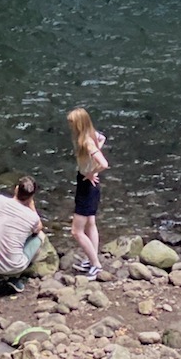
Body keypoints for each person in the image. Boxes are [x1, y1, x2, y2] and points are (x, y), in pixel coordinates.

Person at [0, 176, 44, 292]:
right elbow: (39, 228)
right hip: (14, 268)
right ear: (32, 196)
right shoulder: (32, 217)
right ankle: (15, 277)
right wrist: (31, 205)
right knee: (40, 236)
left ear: (16, 189)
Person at [66, 106, 108, 280]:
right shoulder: (92, 134)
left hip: (87, 185)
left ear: (79, 124)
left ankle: (96, 266)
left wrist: (91, 172)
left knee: (76, 231)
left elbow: (104, 163)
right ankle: (92, 260)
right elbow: (102, 138)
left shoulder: (86, 142)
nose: (70, 127)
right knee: (90, 223)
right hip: (90, 184)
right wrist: (92, 170)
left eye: (72, 124)